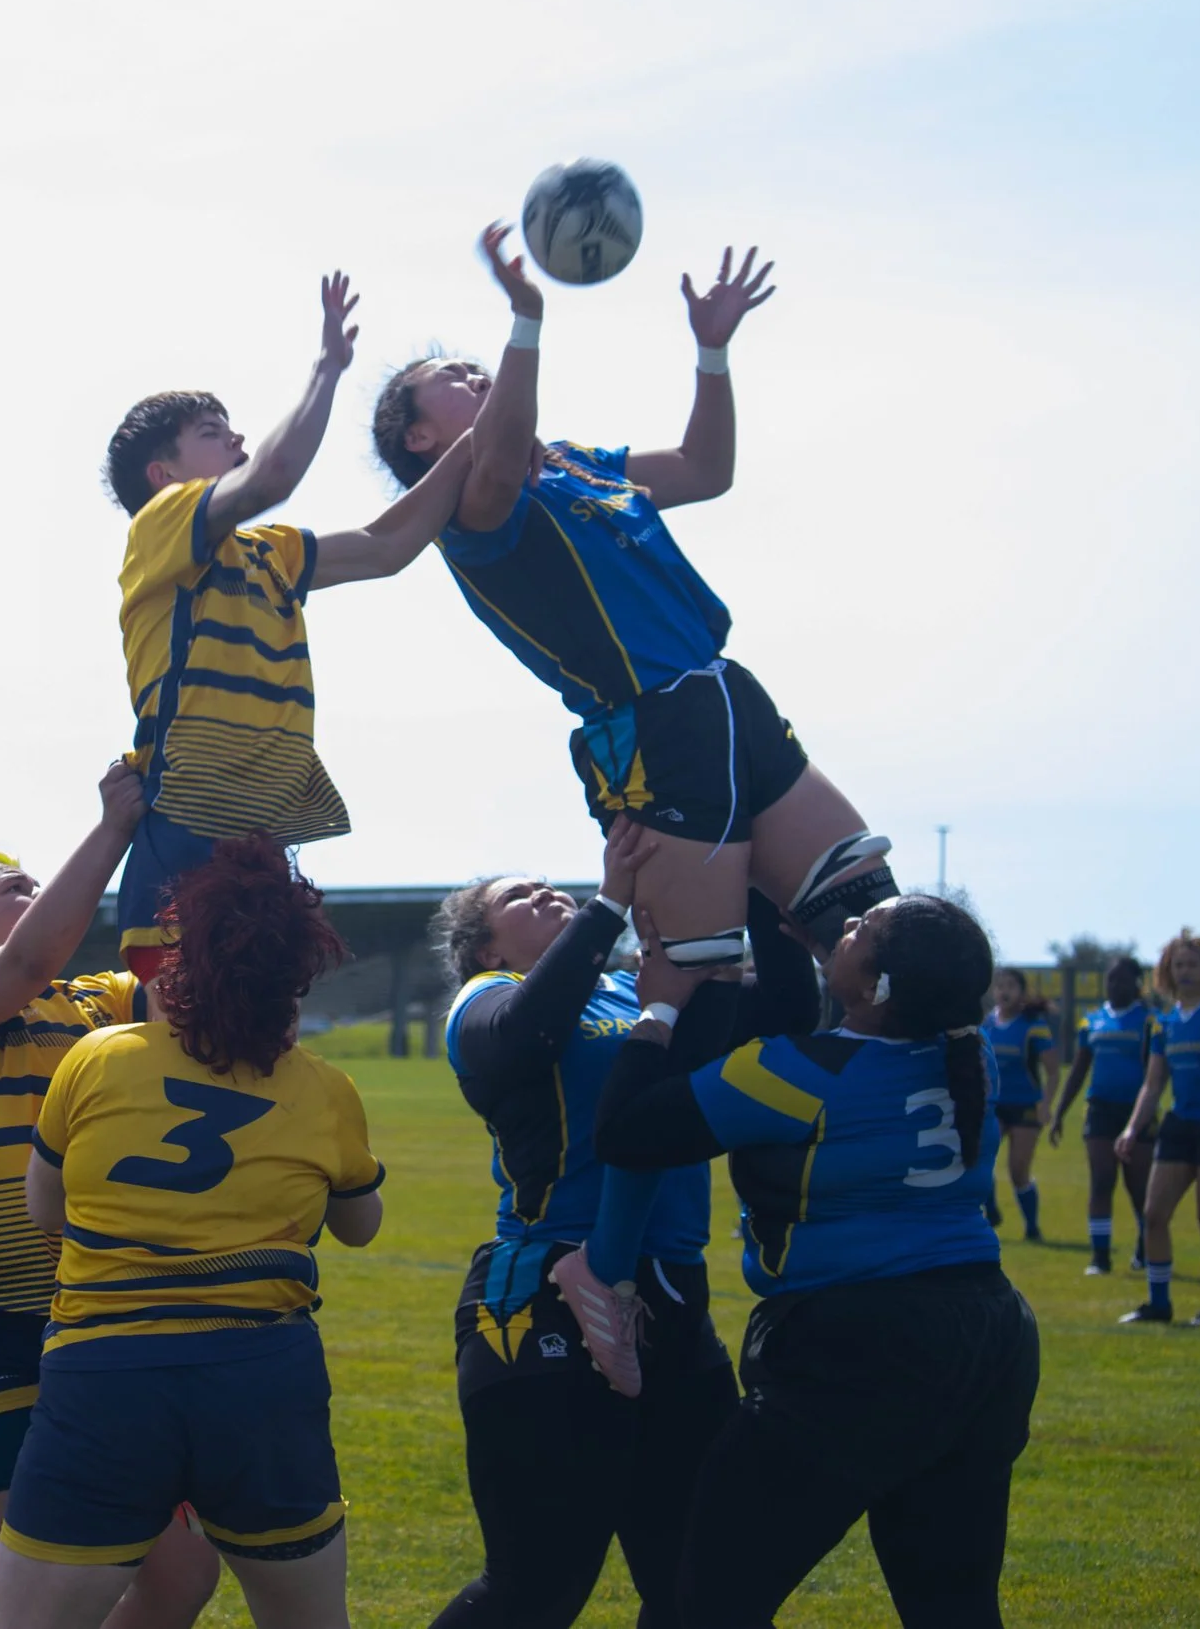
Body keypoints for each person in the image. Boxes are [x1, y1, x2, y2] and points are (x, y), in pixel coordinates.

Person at [369, 230, 897, 1380]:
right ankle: (604, 1260)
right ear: (415, 436)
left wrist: (711, 353)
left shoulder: (579, 462)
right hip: (649, 729)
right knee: (692, 999)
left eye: (475, 362)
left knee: (876, 932)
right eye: (446, 377)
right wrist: (525, 316)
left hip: (728, 696)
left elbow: (705, 469)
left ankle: (831, 1204)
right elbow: (498, 442)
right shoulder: (473, 498)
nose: (472, 373)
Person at [597, 895, 1040, 1629]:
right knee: (953, 1609)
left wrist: (659, 1009)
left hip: (859, 1345)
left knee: (706, 1601)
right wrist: (811, 948)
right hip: (991, 1333)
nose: (849, 924)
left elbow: (625, 1132)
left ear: (879, 986)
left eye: (865, 928)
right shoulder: (969, 1051)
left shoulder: (790, 1075)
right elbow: (882, 1009)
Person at [424, 820, 820, 1628]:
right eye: (519, 896)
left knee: (701, 1585)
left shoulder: (631, 988)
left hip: (671, 1295)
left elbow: (788, 1011)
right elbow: (525, 1038)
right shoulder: (485, 999)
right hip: (541, 1295)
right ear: (485, 948)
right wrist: (608, 902)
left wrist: (750, 884)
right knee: (538, 1587)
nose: (547, 891)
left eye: (550, 884)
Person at [0, 833, 384, 1629]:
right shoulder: (325, 1088)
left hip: (105, 1372)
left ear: (180, 958)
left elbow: (42, 1208)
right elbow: (360, 1225)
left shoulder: (98, 1057)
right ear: (297, 971)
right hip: (260, 1374)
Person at [0, 762, 221, 1629]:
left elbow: (189, 984)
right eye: (14, 887)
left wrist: (200, 832)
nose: (36, 893)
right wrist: (113, 828)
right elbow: (33, 954)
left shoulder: (101, 998)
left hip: (97, 1319)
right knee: (12, 1606)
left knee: (184, 1574)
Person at [104, 270, 478, 976]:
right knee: (177, 1020)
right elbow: (274, 473)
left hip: (260, 836)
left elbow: (386, 547)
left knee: (264, 1019)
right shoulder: (160, 525)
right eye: (212, 433)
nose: (237, 438)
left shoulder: (268, 551)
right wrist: (327, 369)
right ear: (163, 475)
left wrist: (469, 446)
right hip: (186, 818)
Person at [1115, 933, 1200, 1326]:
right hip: (1178, 1126)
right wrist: (1132, 1129)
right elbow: (1153, 1085)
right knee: (1154, 1215)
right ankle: (1159, 1304)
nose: (1185, 972)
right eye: (1178, 965)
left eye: (1192, 965)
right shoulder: (1163, 1023)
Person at [1050, 954, 1154, 1275]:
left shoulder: (1149, 1020)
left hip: (1137, 1111)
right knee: (1101, 1180)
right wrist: (1059, 1112)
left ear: (1136, 984)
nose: (1115, 985)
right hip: (1100, 1109)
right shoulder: (1092, 1020)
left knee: (1139, 1187)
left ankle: (1145, 1248)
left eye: (1122, 979)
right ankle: (1100, 1257)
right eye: (1111, 979)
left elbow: (1157, 1071)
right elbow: (1079, 1069)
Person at [979, 968, 1058, 1241]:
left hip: (1025, 1106)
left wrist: (1046, 1104)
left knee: (1018, 1171)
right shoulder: (986, 1024)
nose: (1005, 991)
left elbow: (1053, 1071)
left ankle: (1032, 1228)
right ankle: (991, 1209)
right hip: (994, 1105)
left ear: (1022, 992)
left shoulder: (1033, 1025)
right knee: (981, 1158)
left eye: (1011, 986)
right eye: (1000, 986)